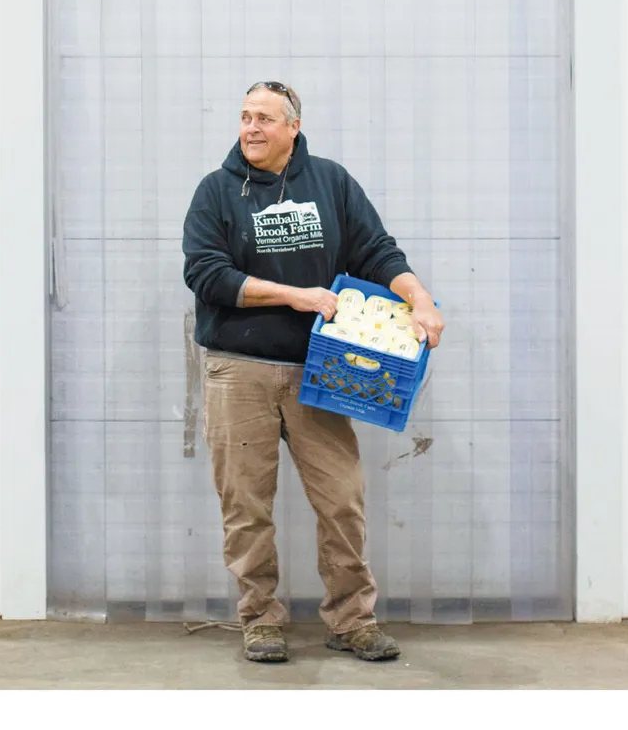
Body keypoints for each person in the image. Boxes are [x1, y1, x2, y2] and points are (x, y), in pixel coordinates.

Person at [182, 81, 445, 665]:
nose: (251, 128)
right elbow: (206, 274)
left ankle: (352, 621)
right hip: (238, 371)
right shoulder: (216, 191)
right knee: (246, 506)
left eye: (264, 118)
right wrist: (294, 295)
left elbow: (376, 250)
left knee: (342, 499)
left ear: (293, 127)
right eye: (245, 117)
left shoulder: (331, 182)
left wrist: (419, 298)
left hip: (319, 372)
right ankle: (260, 621)